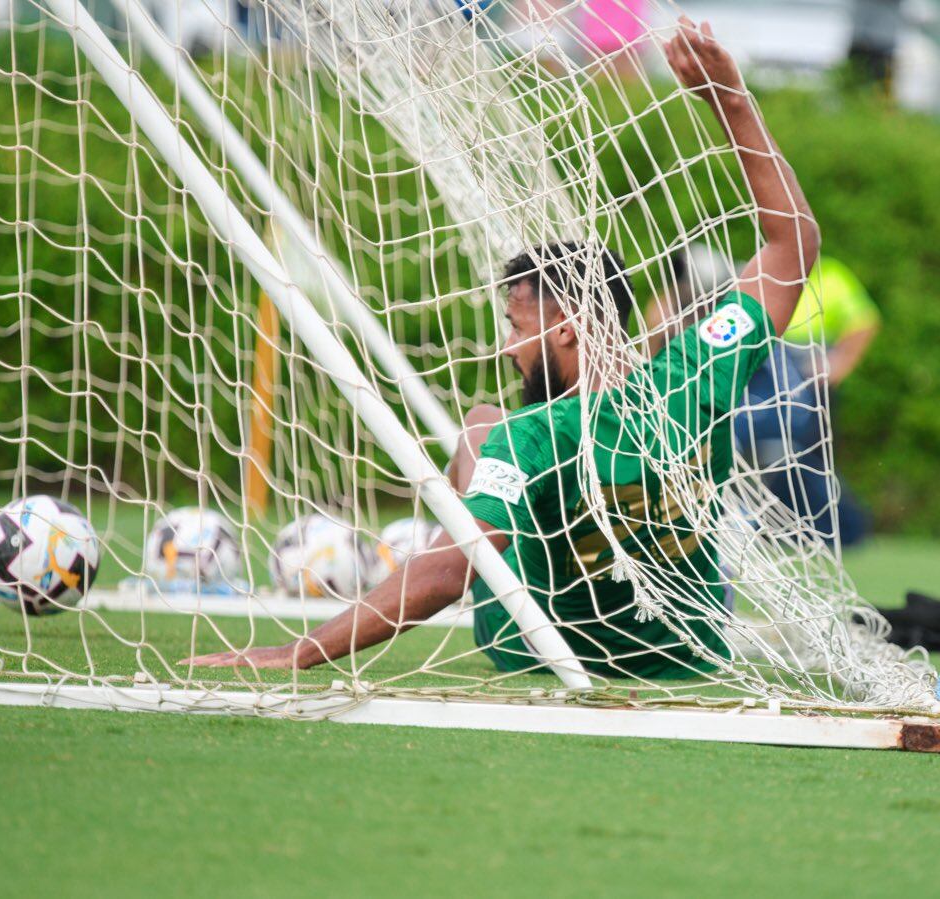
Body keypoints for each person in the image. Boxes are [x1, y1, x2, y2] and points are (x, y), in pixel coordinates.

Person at [184, 18, 820, 677]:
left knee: (480, 425)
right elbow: (791, 244)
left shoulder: (533, 436)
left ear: (566, 326)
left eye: (516, 326)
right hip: (688, 654)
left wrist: (301, 650)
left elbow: (445, 572)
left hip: (546, 647)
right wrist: (730, 101)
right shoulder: (697, 368)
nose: (506, 346)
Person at [734, 256, 880, 546]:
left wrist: (837, 364)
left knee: (808, 459)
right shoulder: (765, 270)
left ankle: (828, 525)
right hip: (765, 376)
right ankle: (758, 519)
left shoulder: (833, 276)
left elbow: (865, 321)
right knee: (748, 444)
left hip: (808, 386)